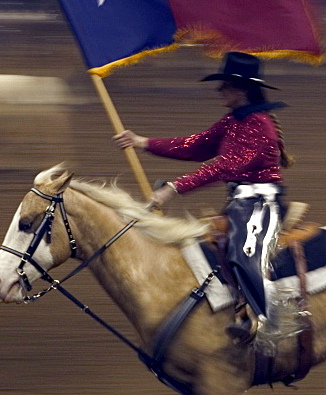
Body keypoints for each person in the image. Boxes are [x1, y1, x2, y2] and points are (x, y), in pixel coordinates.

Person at [114, 52, 292, 343]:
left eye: (224, 85)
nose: (219, 90)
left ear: (241, 89)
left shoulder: (260, 126)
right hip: (239, 204)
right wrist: (143, 142)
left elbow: (227, 166)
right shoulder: (232, 121)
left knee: (241, 252)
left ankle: (265, 324)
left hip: (261, 204)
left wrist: (173, 188)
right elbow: (195, 146)